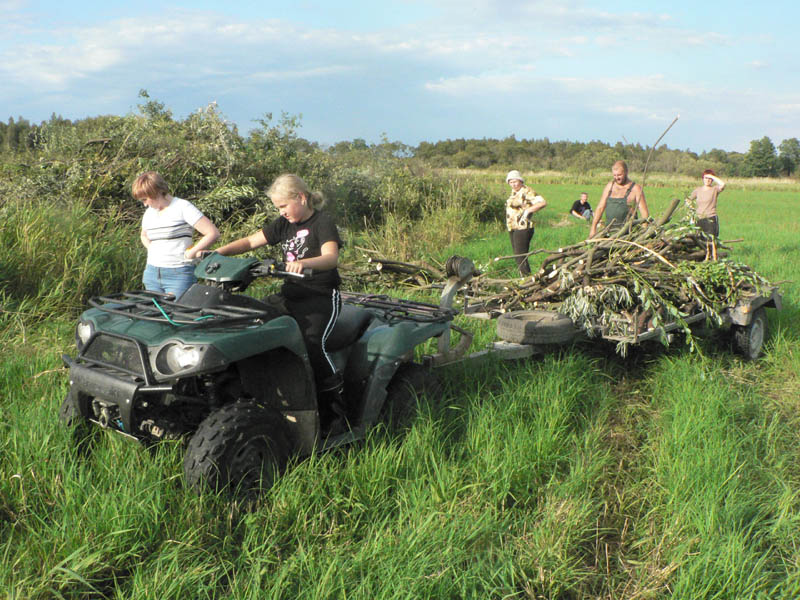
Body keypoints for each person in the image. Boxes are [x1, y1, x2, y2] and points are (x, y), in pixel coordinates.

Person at [212, 174, 344, 418]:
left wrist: (304, 263)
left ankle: (334, 407)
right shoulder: (284, 224)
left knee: (312, 345)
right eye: (278, 208)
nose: (281, 212)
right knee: (249, 325)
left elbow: (330, 258)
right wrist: (218, 253)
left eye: (283, 205)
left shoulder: (322, 222)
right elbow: (250, 242)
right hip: (289, 295)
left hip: (320, 297)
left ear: (301, 198)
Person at [133, 171, 219, 299]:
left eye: (145, 199)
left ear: (156, 192)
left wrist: (192, 252)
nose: (144, 204)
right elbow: (144, 235)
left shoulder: (182, 207)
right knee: (153, 311)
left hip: (179, 274)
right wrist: (151, 248)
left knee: (177, 311)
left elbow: (212, 233)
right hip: (152, 273)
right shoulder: (149, 213)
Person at [589, 160, 649, 237]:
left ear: (626, 172)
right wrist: (593, 228)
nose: (617, 178)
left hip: (628, 234)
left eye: (619, 175)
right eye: (614, 175)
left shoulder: (636, 189)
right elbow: (600, 208)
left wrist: (644, 233)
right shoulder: (610, 186)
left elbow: (644, 213)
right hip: (609, 232)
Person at [504, 170, 546, 276]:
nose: (513, 184)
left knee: (521, 256)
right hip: (513, 227)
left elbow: (542, 203)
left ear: (520, 181)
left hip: (523, 227)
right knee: (517, 256)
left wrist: (528, 211)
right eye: (510, 182)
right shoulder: (514, 193)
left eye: (515, 181)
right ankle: (524, 277)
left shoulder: (527, 191)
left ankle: (526, 279)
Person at [688, 169, 726, 237]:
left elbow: (723, 184)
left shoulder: (715, 189)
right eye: (706, 178)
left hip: (710, 219)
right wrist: (692, 212)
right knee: (699, 240)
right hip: (699, 219)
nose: (707, 180)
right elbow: (688, 200)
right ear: (703, 178)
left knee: (710, 240)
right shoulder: (698, 190)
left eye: (709, 178)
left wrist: (712, 176)